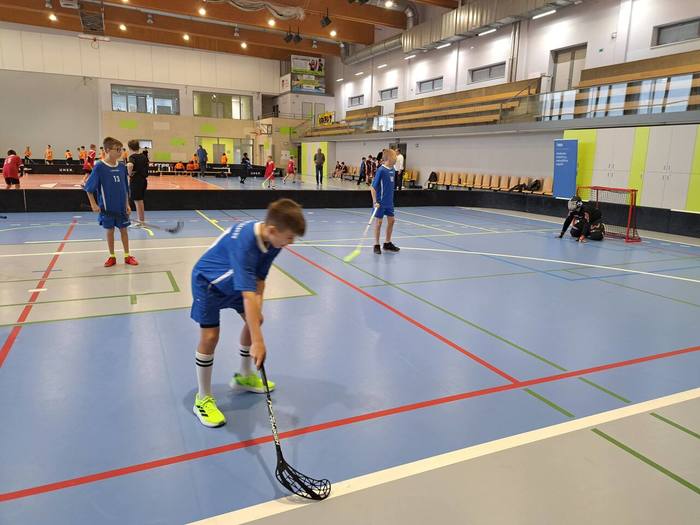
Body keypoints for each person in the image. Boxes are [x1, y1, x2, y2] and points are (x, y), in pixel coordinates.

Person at [189, 199, 306, 427]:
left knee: (255, 320)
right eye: (289, 237)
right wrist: (258, 342)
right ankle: (202, 399)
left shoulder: (273, 243)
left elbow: (259, 280)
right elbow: (247, 295)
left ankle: (243, 375)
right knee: (210, 337)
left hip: (235, 283)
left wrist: (256, 317)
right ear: (272, 230)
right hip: (208, 283)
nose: (291, 242)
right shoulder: (245, 244)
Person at [84, 137, 139, 267]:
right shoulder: (99, 167)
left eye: (121, 149)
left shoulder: (121, 167)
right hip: (107, 208)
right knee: (110, 231)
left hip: (121, 208)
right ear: (108, 150)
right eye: (117, 149)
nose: (120, 152)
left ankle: (127, 255)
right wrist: (93, 204)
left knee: (124, 230)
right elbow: (89, 188)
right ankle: (112, 256)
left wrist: (127, 204)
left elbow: (125, 188)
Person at [370, 148, 400, 255]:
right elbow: (372, 188)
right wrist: (375, 202)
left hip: (389, 202)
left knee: (392, 221)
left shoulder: (393, 170)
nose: (396, 158)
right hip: (380, 203)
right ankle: (376, 244)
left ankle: (387, 243)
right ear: (388, 158)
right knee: (378, 223)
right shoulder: (381, 170)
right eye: (394, 157)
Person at [126, 139, 148, 227]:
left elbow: (130, 165)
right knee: (140, 200)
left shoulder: (132, 157)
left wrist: (129, 173)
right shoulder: (144, 156)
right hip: (143, 180)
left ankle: (141, 222)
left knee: (137, 201)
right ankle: (141, 220)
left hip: (136, 181)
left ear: (130, 148)